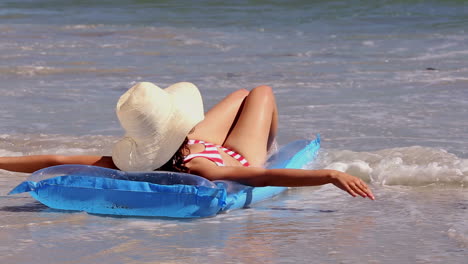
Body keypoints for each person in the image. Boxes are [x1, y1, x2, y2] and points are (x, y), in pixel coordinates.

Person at [0, 82, 374, 200]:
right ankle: (270, 143)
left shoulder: (128, 161)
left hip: (193, 142)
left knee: (245, 90)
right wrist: (328, 174)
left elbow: (53, 157)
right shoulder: (199, 166)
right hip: (239, 156)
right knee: (261, 91)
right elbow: (259, 177)